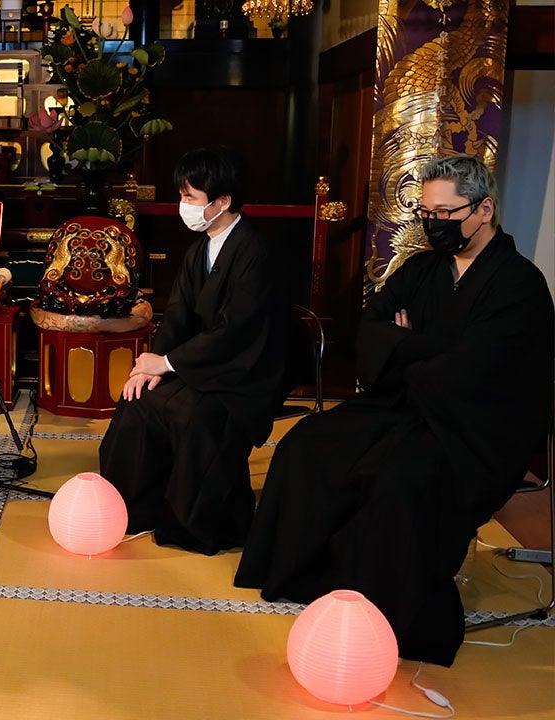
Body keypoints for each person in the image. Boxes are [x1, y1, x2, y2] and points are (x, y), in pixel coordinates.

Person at [235, 154, 554, 666]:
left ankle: (387, 616)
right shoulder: (422, 269)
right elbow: (373, 330)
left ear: (484, 209)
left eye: (445, 213)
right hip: (403, 404)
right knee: (308, 443)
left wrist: (406, 346)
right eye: (426, 212)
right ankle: (310, 579)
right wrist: (425, 348)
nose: (433, 223)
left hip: (474, 428)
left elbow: (473, 372)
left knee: (398, 479)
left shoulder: (520, 285)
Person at [98, 147, 286, 555]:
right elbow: (178, 314)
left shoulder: (254, 252)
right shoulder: (199, 249)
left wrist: (168, 363)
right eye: (182, 196)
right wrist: (150, 367)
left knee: (192, 415)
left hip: (244, 373)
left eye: (190, 197)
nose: (183, 205)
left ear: (222, 202)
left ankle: (192, 525)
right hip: (200, 363)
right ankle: (130, 509)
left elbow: (236, 331)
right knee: (136, 401)